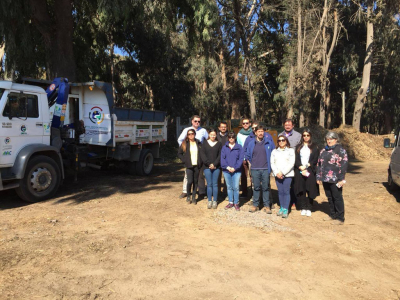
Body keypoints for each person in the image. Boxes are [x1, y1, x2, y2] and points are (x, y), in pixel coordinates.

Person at [316, 131, 348, 225]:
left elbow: (344, 165)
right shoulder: (323, 151)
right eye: (328, 139)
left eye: (331, 139)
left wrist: (341, 179)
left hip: (336, 179)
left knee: (337, 197)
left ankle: (340, 217)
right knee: (329, 197)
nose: (329, 141)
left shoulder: (340, 150)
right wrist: (318, 177)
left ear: (336, 139)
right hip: (326, 179)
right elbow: (319, 164)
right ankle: (332, 214)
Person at [245, 125, 275, 213]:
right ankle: (255, 205)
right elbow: (248, 155)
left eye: (262, 131)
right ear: (255, 132)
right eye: (259, 131)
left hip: (265, 169)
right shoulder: (251, 143)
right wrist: (253, 163)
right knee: (256, 188)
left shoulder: (268, 142)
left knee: (266, 188)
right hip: (255, 169)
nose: (261, 133)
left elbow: (273, 153)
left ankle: (266, 205)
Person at [177, 115, 208, 199]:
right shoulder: (186, 130)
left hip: (199, 157)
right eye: (195, 121)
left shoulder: (203, 130)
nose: (197, 123)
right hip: (189, 156)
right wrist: (185, 150)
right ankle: (185, 191)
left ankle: (201, 192)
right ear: (192, 121)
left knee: (200, 175)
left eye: (198, 121)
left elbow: (207, 140)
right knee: (188, 176)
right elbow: (180, 140)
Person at [294, 129, 320, 217]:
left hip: (310, 170)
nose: (306, 137)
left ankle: (309, 207)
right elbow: (296, 159)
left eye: (307, 135)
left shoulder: (315, 147)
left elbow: (315, 159)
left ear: (310, 136)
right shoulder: (298, 147)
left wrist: (307, 165)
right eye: (304, 135)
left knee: (310, 189)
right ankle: (303, 207)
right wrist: (300, 166)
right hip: (300, 170)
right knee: (301, 189)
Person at [280, 118, 301, 209]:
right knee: (284, 183)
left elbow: (300, 149)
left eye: (289, 125)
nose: (287, 126)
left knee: (294, 183)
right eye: (286, 125)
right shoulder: (280, 135)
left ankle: (293, 201)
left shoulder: (298, 135)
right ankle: (284, 202)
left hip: (294, 163)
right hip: (283, 163)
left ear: (293, 126)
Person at [178, 129, 202, 205]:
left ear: (195, 134)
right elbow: (179, 153)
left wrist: (201, 162)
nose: (191, 135)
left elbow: (202, 153)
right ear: (187, 135)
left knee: (195, 182)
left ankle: (194, 197)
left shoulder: (198, 142)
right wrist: (184, 160)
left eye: (192, 134)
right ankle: (188, 195)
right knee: (189, 181)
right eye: (189, 134)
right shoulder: (185, 143)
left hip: (197, 165)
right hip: (189, 166)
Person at [221, 131, 244, 211]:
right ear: (228, 138)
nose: (231, 139)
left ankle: (236, 203)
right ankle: (231, 202)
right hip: (226, 170)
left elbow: (241, 159)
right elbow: (222, 159)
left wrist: (235, 168)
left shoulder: (239, 147)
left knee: (236, 187)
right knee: (229, 187)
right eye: (230, 137)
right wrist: (227, 167)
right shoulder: (224, 147)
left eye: (233, 137)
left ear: (235, 138)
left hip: (236, 171)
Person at [200, 129, 222, 209]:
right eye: (211, 134)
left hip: (216, 167)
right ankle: (209, 200)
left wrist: (215, 164)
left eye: (214, 135)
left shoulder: (219, 144)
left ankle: (215, 200)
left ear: (216, 135)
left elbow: (220, 155)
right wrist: (209, 164)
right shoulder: (204, 144)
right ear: (209, 135)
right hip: (207, 167)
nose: (213, 136)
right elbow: (202, 154)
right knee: (209, 184)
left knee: (215, 184)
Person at [237, 118, 252, 198]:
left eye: (247, 123)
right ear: (242, 125)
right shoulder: (239, 134)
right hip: (243, 158)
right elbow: (239, 146)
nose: (245, 124)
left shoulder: (253, 133)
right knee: (243, 176)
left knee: (252, 176)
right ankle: (244, 192)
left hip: (252, 158)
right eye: (244, 123)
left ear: (249, 124)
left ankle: (253, 193)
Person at [217, 121, 228, 198]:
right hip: (217, 159)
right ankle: (218, 192)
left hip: (227, 159)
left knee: (226, 176)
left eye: (225, 127)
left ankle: (226, 192)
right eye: (222, 127)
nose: (223, 128)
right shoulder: (216, 136)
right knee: (218, 176)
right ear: (219, 128)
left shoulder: (229, 136)